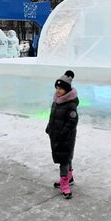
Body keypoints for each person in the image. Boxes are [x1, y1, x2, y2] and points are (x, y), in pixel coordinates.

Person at [45, 70, 79, 199]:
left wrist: (63, 133)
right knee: (66, 157)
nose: (58, 91)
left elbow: (72, 121)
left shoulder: (70, 105)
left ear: (67, 90)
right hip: (56, 135)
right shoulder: (57, 101)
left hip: (66, 137)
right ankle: (69, 177)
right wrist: (49, 127)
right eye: (57, 88)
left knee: (64, 160)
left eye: (61, 89)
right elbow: (52, 117)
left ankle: (65, 182)